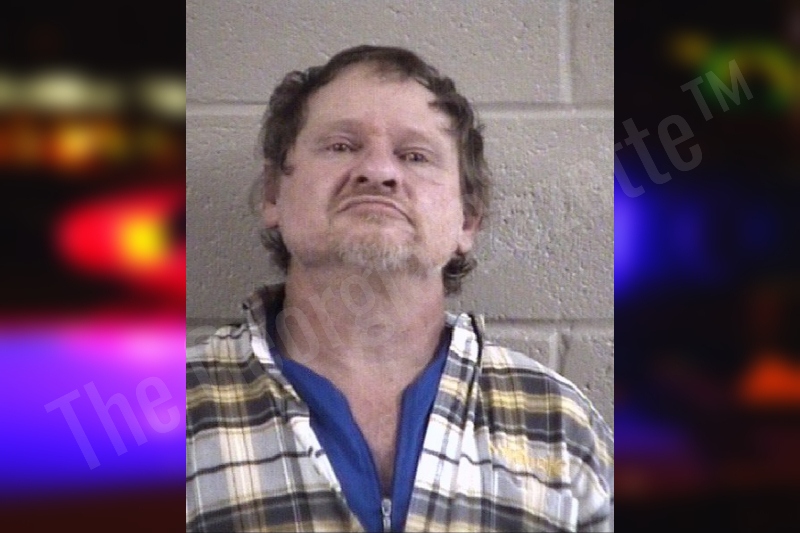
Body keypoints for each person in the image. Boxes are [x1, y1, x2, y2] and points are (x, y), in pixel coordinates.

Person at [186, 45, 613, 532]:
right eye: (341, 146)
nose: (378, 172)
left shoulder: (558, 424)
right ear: (272, 195)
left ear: (467, 220)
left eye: (414, 155)